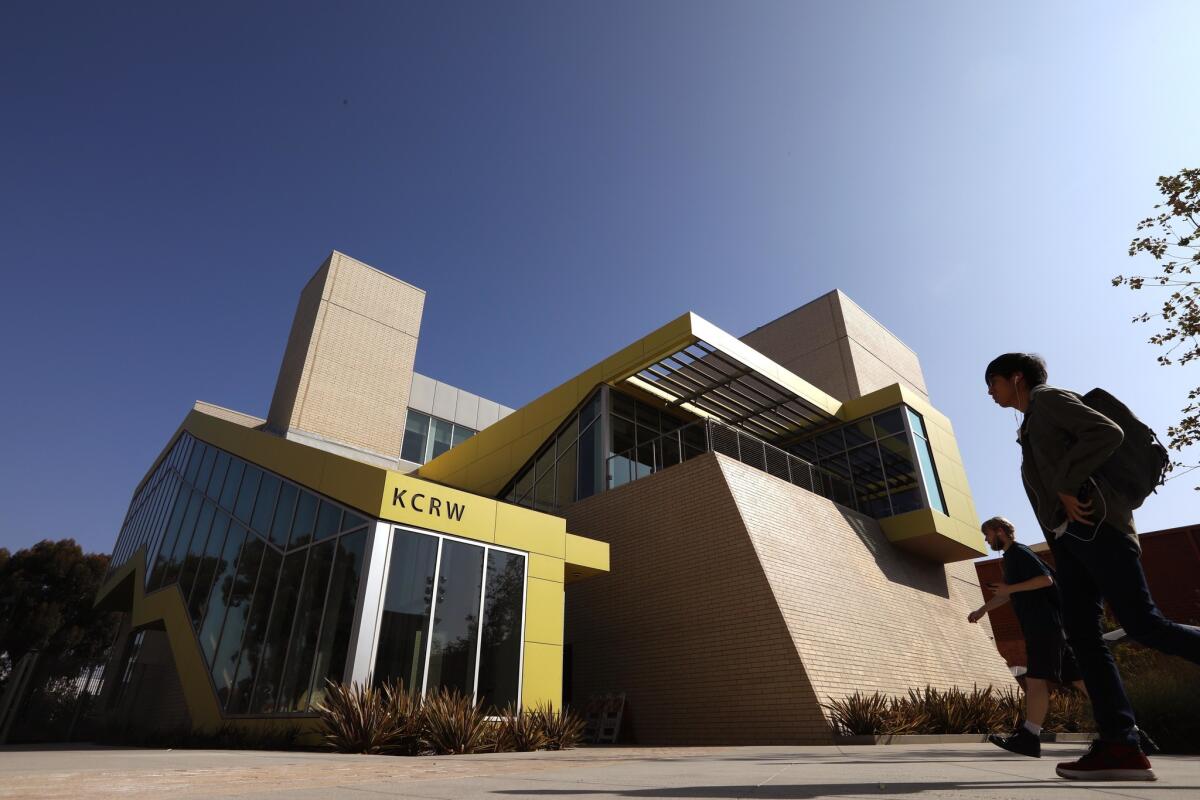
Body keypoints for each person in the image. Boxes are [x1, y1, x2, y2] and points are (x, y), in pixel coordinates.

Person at [985, 352, 1200, 781]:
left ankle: (1121, 743)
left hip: (1097, 529)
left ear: (1016, 378)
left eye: (993, 382)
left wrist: (1066, 484)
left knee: (1143, 623)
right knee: (1084, 639)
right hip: (1072, 541)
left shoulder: (1047, 401)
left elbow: (1107, 431)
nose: (989, 392)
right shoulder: (1031, 423)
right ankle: (1121, 745)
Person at [968, 516, 1087, 758]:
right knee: (1080, 680)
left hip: (1043, 627)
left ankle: (1030, 737)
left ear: (1000, 531)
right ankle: (1129, 727)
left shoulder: (1019, 553)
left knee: (1035, 681)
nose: (986, 539)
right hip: (1049, 628)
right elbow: (1007, 594)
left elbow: (1045, 580)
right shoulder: (1011, 559)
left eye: (988, 534)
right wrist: (982, 610)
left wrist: (1009, 589)